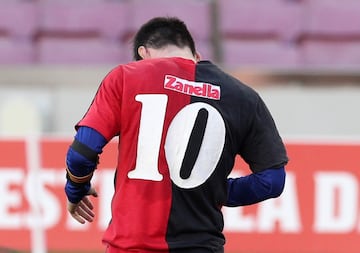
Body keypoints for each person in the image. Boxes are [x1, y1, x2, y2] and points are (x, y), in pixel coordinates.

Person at [64, 16, 288, 253]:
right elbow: (273, 182)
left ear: (143, 54)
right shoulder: (244, 97)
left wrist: (76, 189)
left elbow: (81, 154)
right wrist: (218, 191)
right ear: (196, 56)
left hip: (130, 247)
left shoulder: (125, 77)